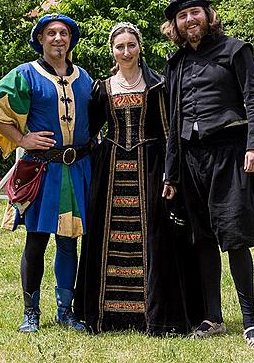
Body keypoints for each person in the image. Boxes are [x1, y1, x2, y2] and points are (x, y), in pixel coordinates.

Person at [161, 0, 254, 348]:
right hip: (191, 159)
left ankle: (250, 322)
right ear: (174, 25)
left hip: (230, 152)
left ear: (207, 15)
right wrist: (171, 173)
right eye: (182, 16)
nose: (190, 20)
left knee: (235, 236)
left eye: (195, 13)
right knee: (202, 239)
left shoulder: (235, 50)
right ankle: (213, 318)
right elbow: (173, 121)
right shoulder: (174, 64)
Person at [74, 22, 194, 335]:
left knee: (153, 236)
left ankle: (153, 316)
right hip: (110, 170)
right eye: (119, 47)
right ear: (112, 51)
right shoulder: (102, 87)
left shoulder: (157, 85)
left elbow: (169, 134)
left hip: (149, 168)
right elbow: (88, 132)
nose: (126, 52)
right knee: (105, 237)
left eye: (131, 45)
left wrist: (173, 173)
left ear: (139, 47)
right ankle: (105, 315)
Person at [0, 14, 93, 333]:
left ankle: (65, 310)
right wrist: (21, 138)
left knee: (70, 242)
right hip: (42, 170)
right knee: (36, 240)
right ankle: (31, 312)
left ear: (71, 39)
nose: (58, 38)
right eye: (51, 33)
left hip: (77, 169)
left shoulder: (85, 78)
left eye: (64, 33)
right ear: (40, 40)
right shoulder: (25, 74)